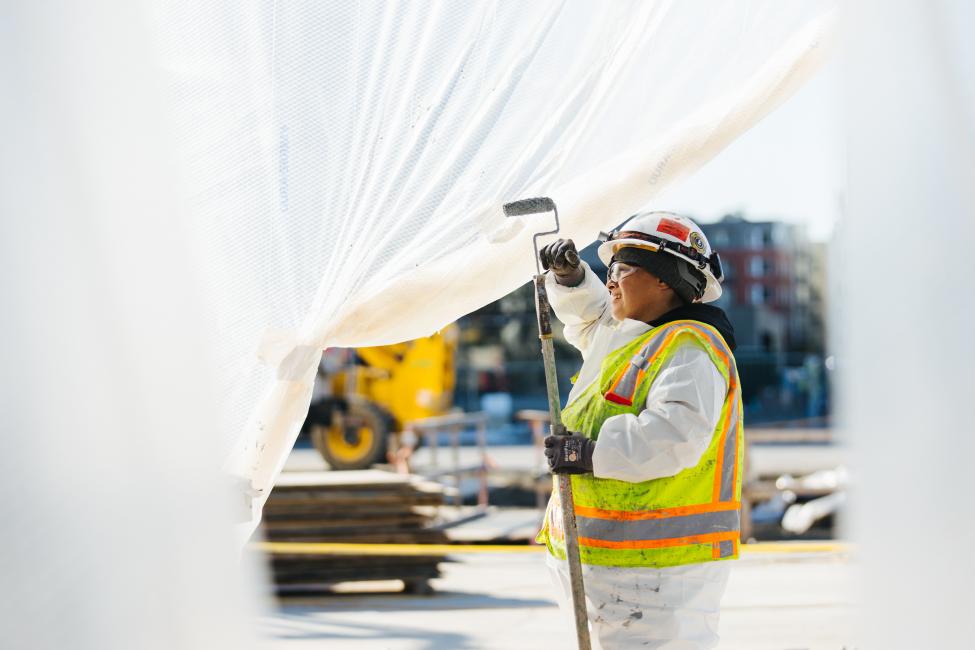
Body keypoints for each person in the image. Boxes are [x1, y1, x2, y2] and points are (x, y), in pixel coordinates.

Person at [535, 211, 743, 650]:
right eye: (609, 270)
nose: (611, 280)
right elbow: (592, 320)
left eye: (623, 270)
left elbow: (675, 435)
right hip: (616, 564)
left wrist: (590, 453)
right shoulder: (632, 336)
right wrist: (572, 279)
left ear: (664, 280)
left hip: (659, 572)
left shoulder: (689, 347)